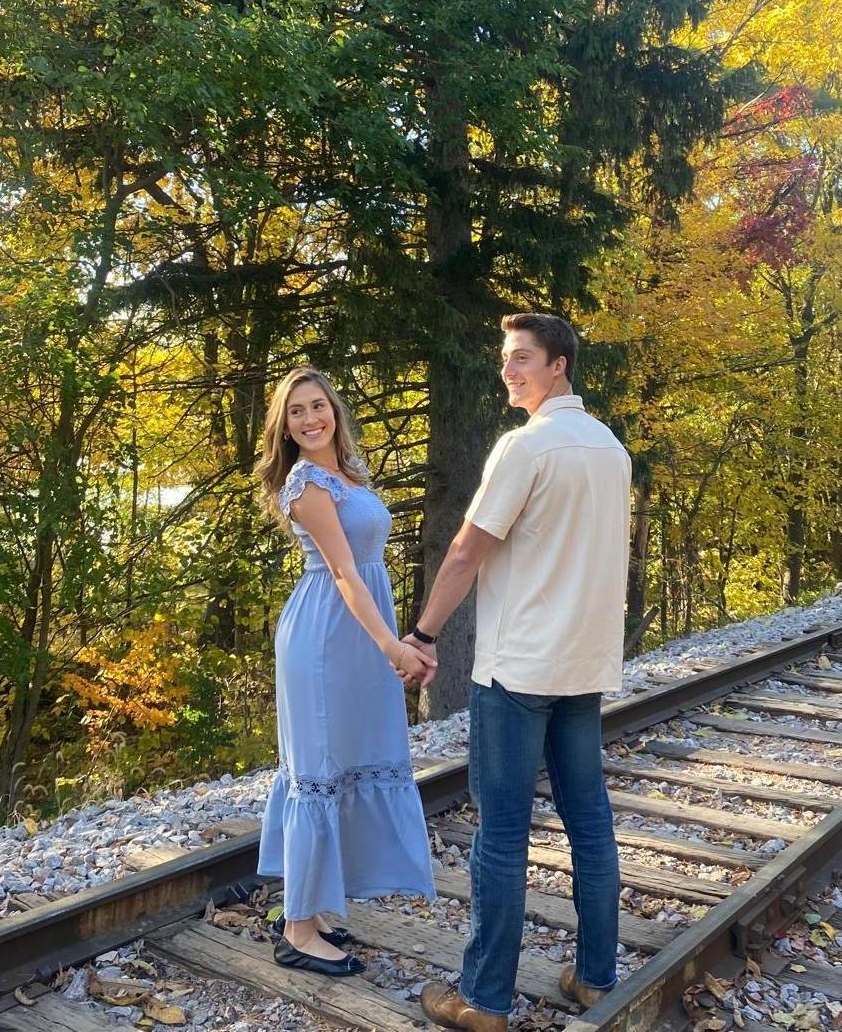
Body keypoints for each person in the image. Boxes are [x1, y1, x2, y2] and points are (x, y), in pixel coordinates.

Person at [408, 313, 632, 1031]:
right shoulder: (610, 449)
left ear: (558, 364)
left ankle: (484, 1001)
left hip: (519, 670)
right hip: (582, 665)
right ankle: (596, 978)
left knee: (501, 836)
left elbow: (466, 551)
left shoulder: (525, 447)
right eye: (507, 358)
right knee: (589, 820)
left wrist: (423, 633)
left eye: (523, 358)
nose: (508, 370)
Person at [254, 366, 437, 977]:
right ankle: (297, 931)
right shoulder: (306, 482)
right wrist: (392, 647)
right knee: (318, 768)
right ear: (285, 428)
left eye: (318, 406)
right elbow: (341, 572)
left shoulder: (348, 473)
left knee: (346, 762)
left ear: (334, 409)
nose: (310, 419)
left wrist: (386, 642)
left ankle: (313, 909)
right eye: (296, 412)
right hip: (327, 636)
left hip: (357, 632)